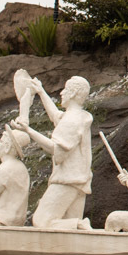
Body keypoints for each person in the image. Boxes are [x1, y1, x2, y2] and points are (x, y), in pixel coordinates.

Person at [10, 76, 93, 230]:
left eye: (66, 89)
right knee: (68, 228)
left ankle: (80, 224)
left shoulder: (72, 120)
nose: (62, 93)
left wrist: (28, 130)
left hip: (67, 180)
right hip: (79, 180)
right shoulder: (78, 116)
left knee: (42, 221)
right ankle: (77, 233)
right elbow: (56, 116)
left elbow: (55, 149)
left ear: (73, 93)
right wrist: (41, 92)